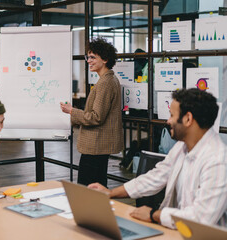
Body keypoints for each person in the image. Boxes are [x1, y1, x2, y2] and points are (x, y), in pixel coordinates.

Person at [89, 88, 227, 229]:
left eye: (172, 115)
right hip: (178, 231)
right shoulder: (182, 147)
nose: (168, 121)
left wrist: (154, 215)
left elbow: (200, 219)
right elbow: (156, 177)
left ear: (188, 119)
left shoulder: (218, 161)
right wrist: (110, 193)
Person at [60, 38, 123, 186]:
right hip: (98, 145)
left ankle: (93, 210)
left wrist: (71, 111)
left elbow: (96, 117)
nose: (89, 61)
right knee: (97, 186)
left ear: (105, 59)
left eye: (93, 57)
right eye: (88, 57)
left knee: (88, 186)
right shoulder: (108, 80)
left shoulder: (105, 83)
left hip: (96, 145)